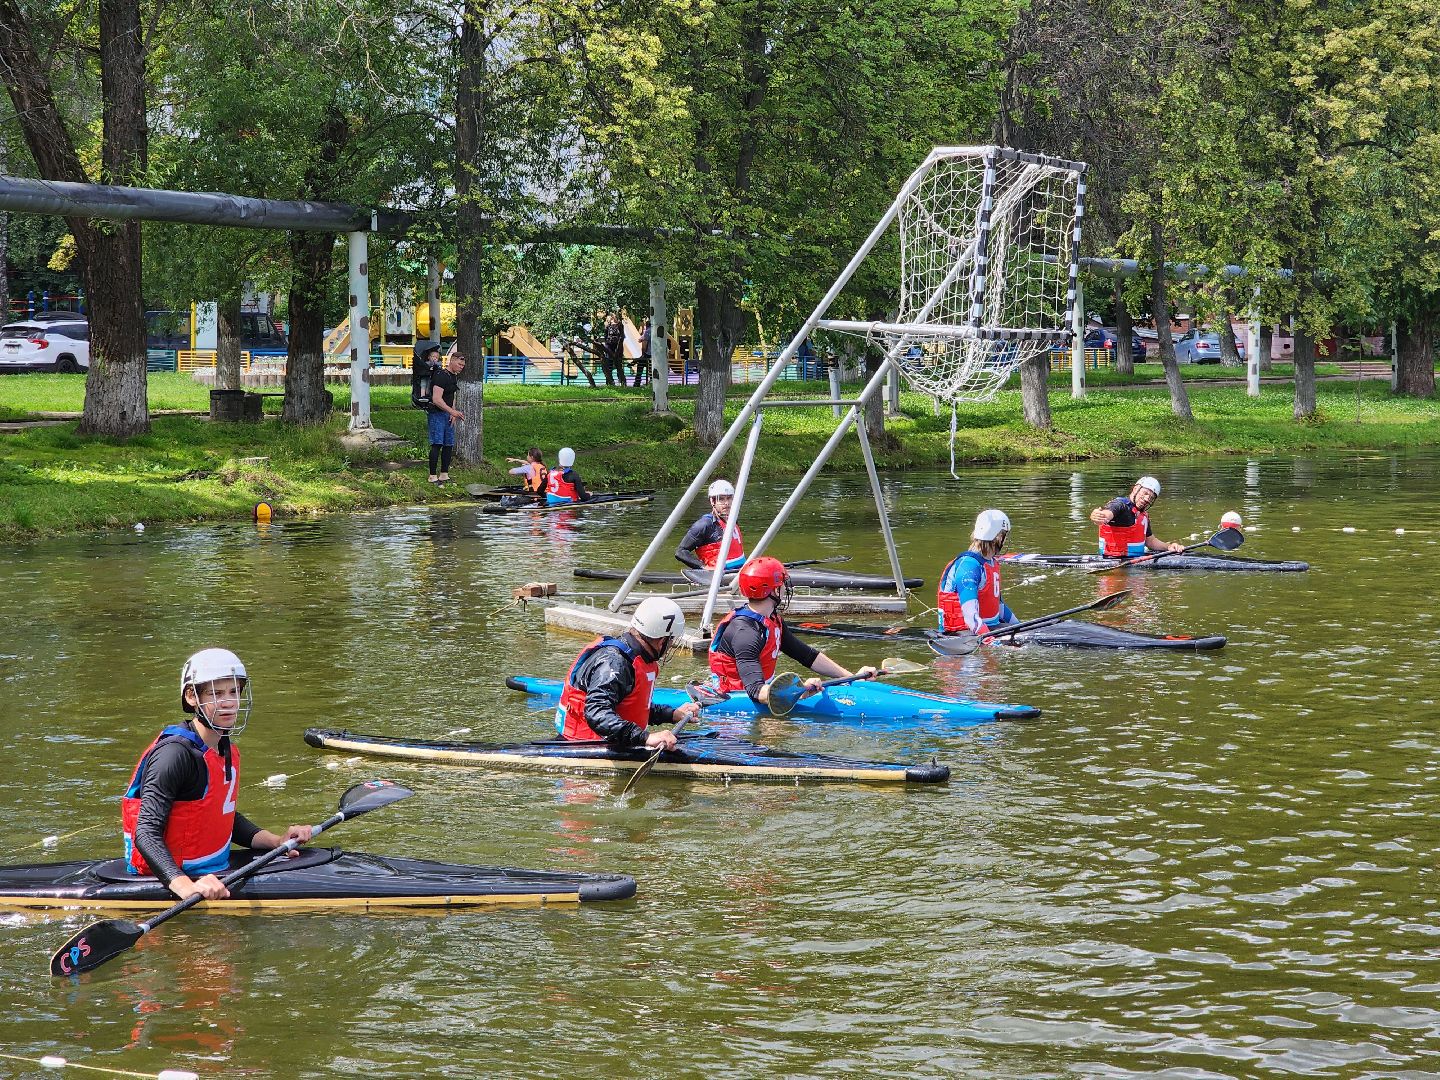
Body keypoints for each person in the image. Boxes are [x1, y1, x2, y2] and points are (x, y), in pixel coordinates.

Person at [120, 649, 313, 901]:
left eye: (234, 692)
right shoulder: (174, 755)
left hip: (212, 870)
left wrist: (276, 841)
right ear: (192, 697)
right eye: (216, 693)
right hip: (166, 877)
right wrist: (186, 888)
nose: (229, 702)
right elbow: (145, 833)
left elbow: (220, 816)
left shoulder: (224, 747)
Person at [709, 557, 876, 706]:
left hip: (763, 694)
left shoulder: (772, 620)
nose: (784, 588)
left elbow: (807, 656)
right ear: (774, 591)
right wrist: (800, 691)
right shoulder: (746, 633)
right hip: (737, 706)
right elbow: (755, 691)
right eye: (781, 585)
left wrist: (851, 678)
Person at [554, 597, 699, 751]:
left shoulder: (638, 657)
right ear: (662, 641)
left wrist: (672, 714)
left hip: (614, 741)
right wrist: (646, 738)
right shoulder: (614, 663)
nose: (670, 646)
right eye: (671, 641)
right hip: (584, 747)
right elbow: (596, 713)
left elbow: (634, 708)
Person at [937, 509, 1020, 638]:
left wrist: (1021, 628)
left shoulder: (991, 563)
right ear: (997, 537)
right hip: (963, 634)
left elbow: (1000, 608)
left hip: (989, 629)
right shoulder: (969, 566)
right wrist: (991, 642)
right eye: (1004, 535)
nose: (1005, 540)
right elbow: (970, 617)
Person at [1088, 476, 1185, 557]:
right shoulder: (1120, 505)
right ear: (1135, 489)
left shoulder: (1143, 516)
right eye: (1145, 493)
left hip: (1135, 562)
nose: (1147, 499)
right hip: (1113, 560)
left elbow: (1150, 541)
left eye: (1151, 497)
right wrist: (1098, 516)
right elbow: (1106, 514)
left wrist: (1169, 547)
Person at [676, 479, 746, 571]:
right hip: (717, 576)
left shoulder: (733, 520)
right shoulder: (704, 525)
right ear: (713, 501)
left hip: (739, 571)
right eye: (721, 499)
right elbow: (680, 552)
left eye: (729, 498)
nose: (726, 503)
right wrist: (703, 567)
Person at [427, 352, 466, 485]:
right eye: (459, 364)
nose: (461, 367)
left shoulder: (453, 376)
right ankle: (432, 476)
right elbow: (437, 399)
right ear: (452, 361)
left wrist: (452, 412)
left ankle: (444, 474)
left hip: (448, 414)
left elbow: (452, 396)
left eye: (463, 365)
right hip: (437, 413)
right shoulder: (441, 376)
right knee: (437, 443)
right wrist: (452, 411)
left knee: (448, 444)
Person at [411, 342, 441, 410]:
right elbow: (423, 367)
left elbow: (438, 366)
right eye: (433, 357)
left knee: (429, 386)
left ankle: (427, 395)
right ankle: (422, 396)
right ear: (428, 357)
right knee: (423, 385)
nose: (434, 358)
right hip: (424, 376)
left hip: (431, 377)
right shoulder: (425, 363)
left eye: (436, 357)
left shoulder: (437, 363)